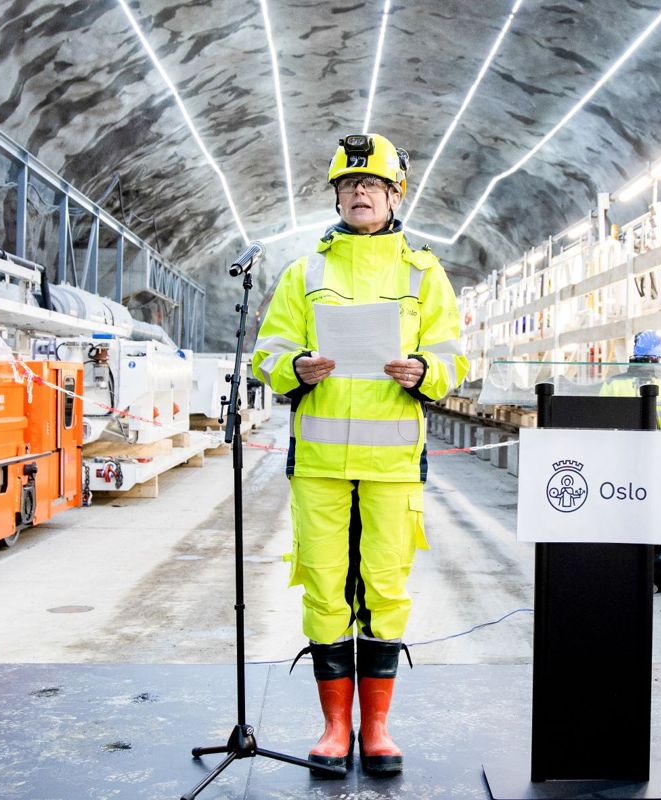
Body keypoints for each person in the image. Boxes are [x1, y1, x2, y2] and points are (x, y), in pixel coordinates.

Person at [251, 133, 467, 777]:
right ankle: (333, 726)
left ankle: (376, 727)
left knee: (386, 588)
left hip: (393, 463)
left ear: (397, 194)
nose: (359, 193)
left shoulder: (425, 274)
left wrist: (423, 368)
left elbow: (455, 357)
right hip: (318, 463)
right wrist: (296, 365)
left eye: (371, 183)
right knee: (323, 588)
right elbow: (267, 351)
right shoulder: (304, 273)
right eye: (348, 185)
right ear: (337, 195)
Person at [600, 330, 661, 468]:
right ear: (659, 357)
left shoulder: (613, 383)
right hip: (650, 453)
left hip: (629, 453)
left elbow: (601, 420)